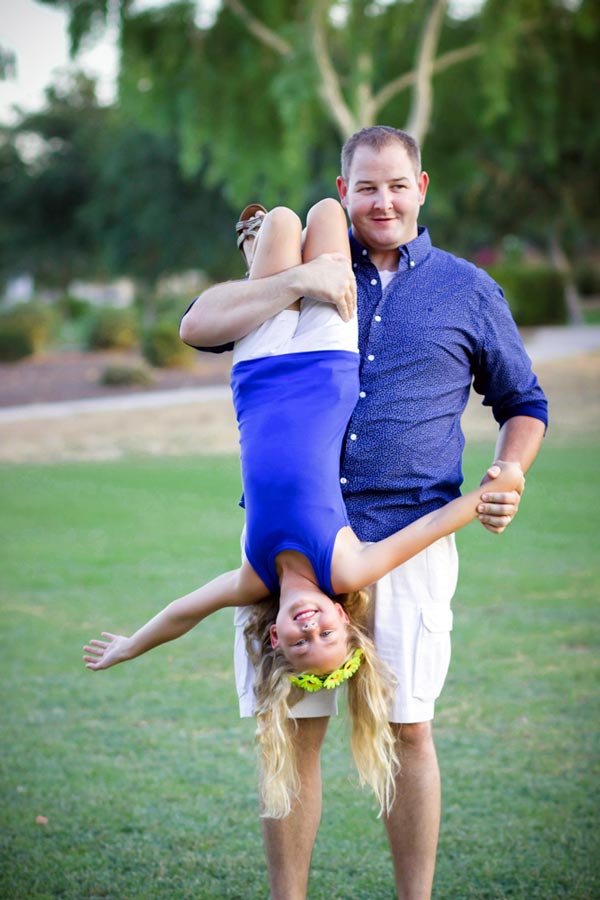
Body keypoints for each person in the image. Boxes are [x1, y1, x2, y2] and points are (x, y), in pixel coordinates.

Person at [179, 126, 548, 900]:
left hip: (409, 534)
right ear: (345, 193)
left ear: (422, 188)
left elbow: (523, 403)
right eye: (366, 187)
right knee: (293, 735)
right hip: (295, 549)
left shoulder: (466, 290)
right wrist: (298, 279)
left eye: (396, 184)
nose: (382, 200)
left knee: (409, 728)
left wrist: (509, 468)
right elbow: (202, 326)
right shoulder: (309, 261)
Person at [83, 197, 523, 827]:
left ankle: (257, 241)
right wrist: (491, 491)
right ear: (345, 620)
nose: (311, 628)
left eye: (299, 642)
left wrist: (130, 645)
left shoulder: (253, 578)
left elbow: (183, 612)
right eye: (328, 636)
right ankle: (257, 242)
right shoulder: (344, 568)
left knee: (283, 221)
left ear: (275, 636)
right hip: (327, 362)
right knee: (318, 212)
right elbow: (424, 529)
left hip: (258, 371)